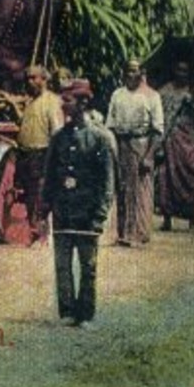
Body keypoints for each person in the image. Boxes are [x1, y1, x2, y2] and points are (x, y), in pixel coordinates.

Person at [40, 83, 115, 327]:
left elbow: (107, 182)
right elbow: (50, 176)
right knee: (62, 266)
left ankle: (85, 314)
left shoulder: (99, 138)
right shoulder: (58, 138)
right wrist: (44, 210)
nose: (64, 105)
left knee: (88, 266)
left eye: (68, 100)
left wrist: (100, 215)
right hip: (62, 211)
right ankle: (68, 311)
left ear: (83, 103)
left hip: (87, 213)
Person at [106, 58, 163, 247]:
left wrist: (148, 155)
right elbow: (110, 125)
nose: (131, 75)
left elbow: (157, 130)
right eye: (128, 71)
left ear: (141, 73)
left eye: (134, 71)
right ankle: (123, 232)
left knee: (141, 188)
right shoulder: (117, 95)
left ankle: (139, 233)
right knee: (122, 188)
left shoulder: (152, 96)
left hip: (141, 143)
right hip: (121, 144)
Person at [13, 65, 65, 245]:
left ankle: (43, 236)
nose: (29, 82)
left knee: (40, 197)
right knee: (28, 195)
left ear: (44, 80)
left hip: (42, 153)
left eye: (33, 78)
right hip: (25, 153)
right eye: (27, 78)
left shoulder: (52, 102)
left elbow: (57, 132)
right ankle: (34, 232)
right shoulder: (30, 102)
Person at [155, 61, 194, 232]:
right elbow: (158, 114)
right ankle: (167, 218)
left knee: (191, 176)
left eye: (185, 71)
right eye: (178, 70)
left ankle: (191, 218)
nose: (181, 74)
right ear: (174, 71)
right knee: (167, 177)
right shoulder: (165, 91)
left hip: (191, 141)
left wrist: (192, 103)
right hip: (171, 139)